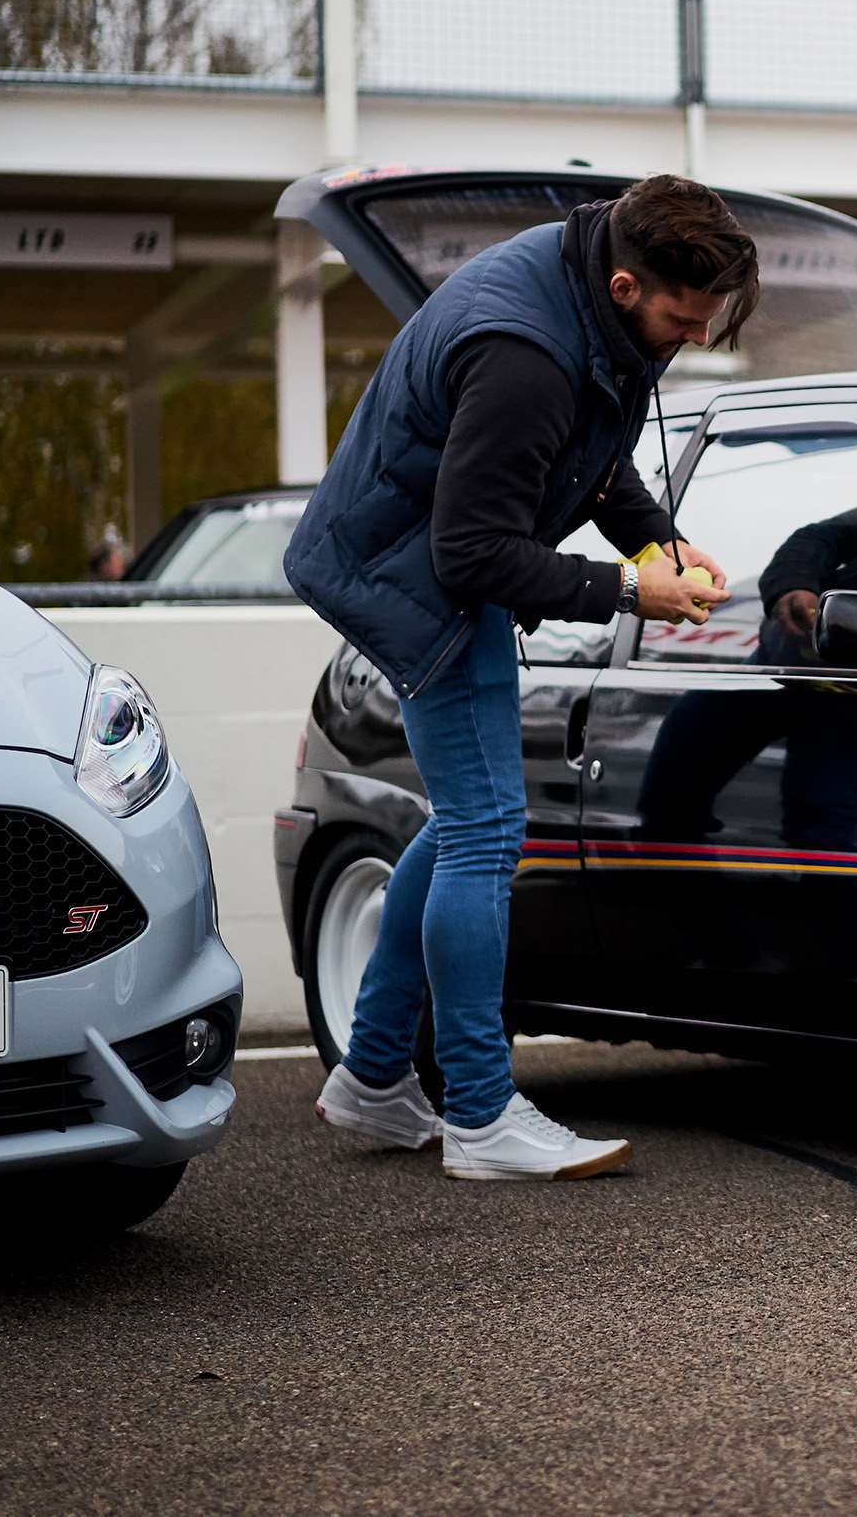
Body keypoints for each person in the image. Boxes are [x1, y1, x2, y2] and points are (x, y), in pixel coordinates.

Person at [286, 173, 754, 1182]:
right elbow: (471, 555)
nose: (694, 335)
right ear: (626, 285)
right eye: (681, 316)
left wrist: (659, 542)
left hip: (426, 558)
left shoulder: (585, 286)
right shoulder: (525, 355)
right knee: (490, 828)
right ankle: (481, 1112)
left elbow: (587, 461)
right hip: (408, 576)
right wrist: (632, 592)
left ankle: (370, 1080)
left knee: (465, 824)